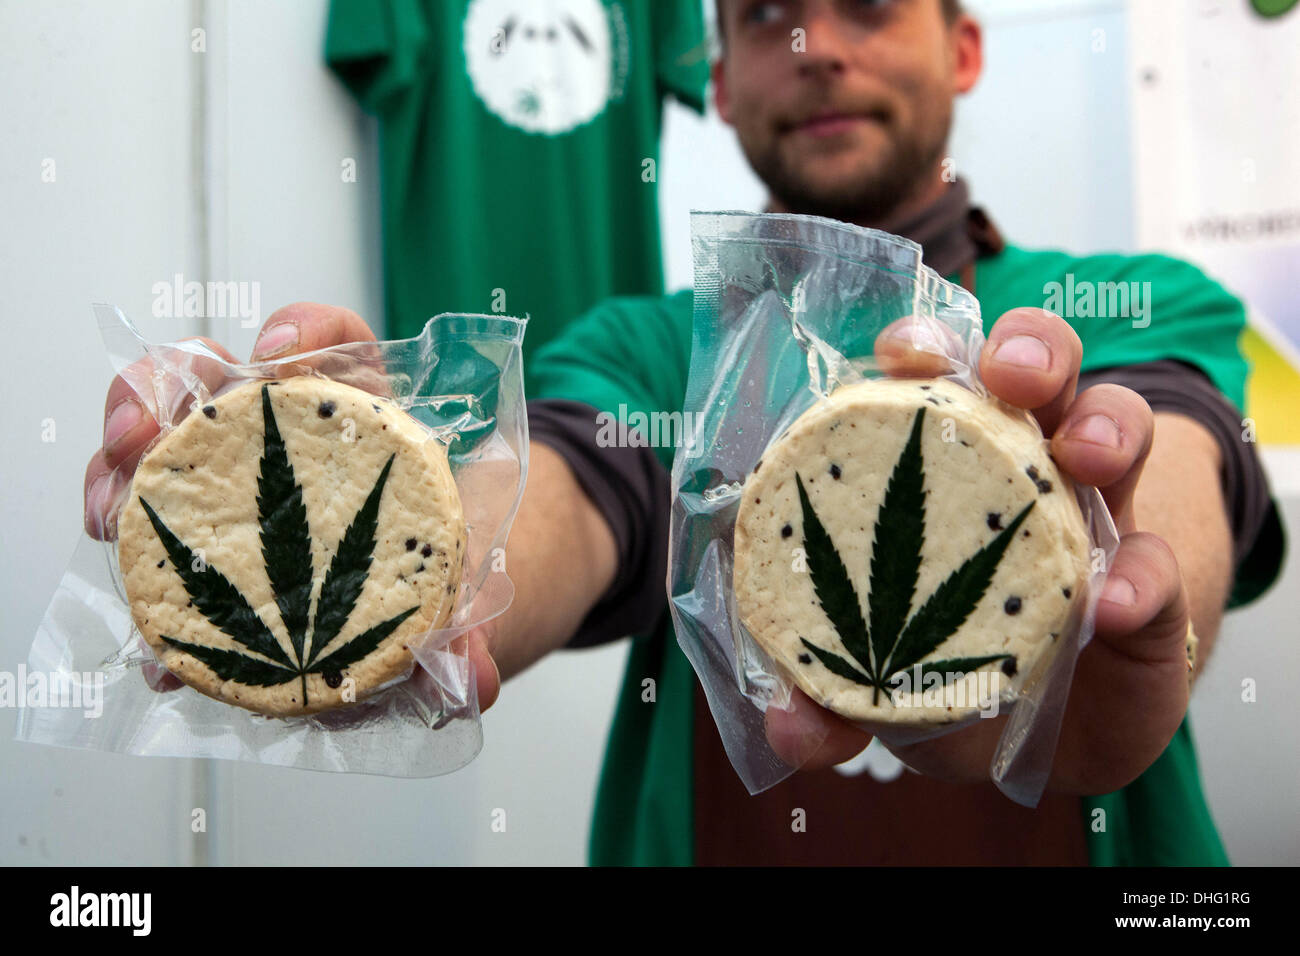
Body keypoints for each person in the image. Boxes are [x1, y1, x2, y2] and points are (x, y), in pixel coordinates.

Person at [84, 0, 1282, 865]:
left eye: (867, 7)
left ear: (963, 46)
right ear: (714, 79)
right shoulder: (653, 349)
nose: (817, 51)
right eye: (767, 17)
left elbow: (1173, 455)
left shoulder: (1128, 298)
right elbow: (556, 487)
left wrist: (1123, 619)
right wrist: (396, 567)